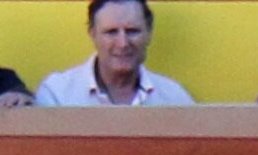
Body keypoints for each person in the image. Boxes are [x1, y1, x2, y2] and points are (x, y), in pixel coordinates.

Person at [37, 0, 189, 105]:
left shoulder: (174, 98)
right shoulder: (57, 95)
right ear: (92, 34)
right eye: (111, 32)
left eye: (132, 31)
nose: (122, 43)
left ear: (149, 33)